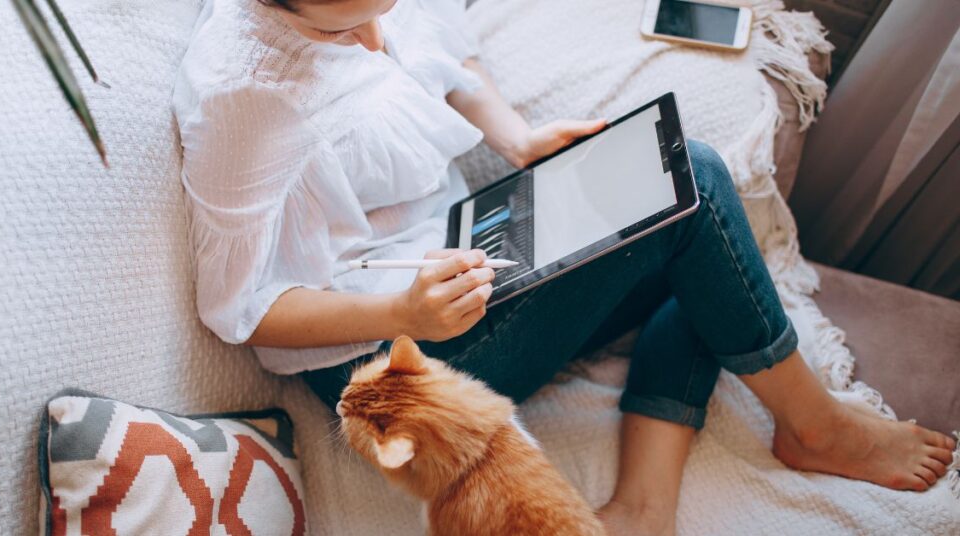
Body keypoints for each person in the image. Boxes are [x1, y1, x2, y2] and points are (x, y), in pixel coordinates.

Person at [172, 1, 956, 534]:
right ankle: (813, 423)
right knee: (700, 184)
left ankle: (642, 511)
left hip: (465, 255)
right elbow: (238, 306)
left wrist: (516, 139)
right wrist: (400, 316)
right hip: (388, 362)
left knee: (703, 243)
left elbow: (450, 57)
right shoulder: (247, 91)